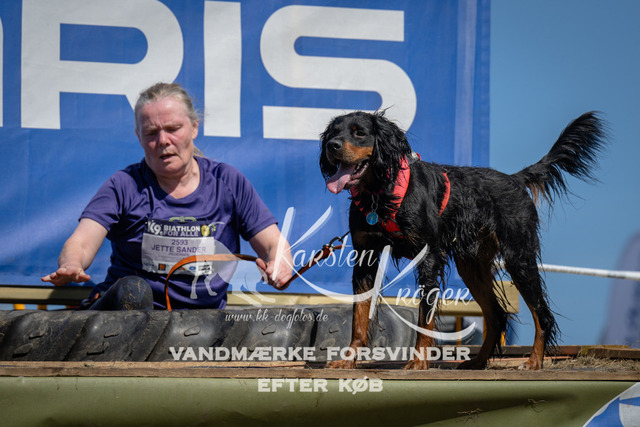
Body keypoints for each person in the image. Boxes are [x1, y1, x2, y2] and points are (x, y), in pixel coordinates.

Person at [42, 82, 293, 310]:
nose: (163, 140)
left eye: (173, 129)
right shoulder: (124, 185)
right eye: (151, 133)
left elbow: (274, 245)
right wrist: (71, 264)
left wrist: (280, 265)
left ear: (194, 128)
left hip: (201, 325)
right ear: (139, 137)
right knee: (133, 291)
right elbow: (81, 242)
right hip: (125, 320)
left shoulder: (228, 182)